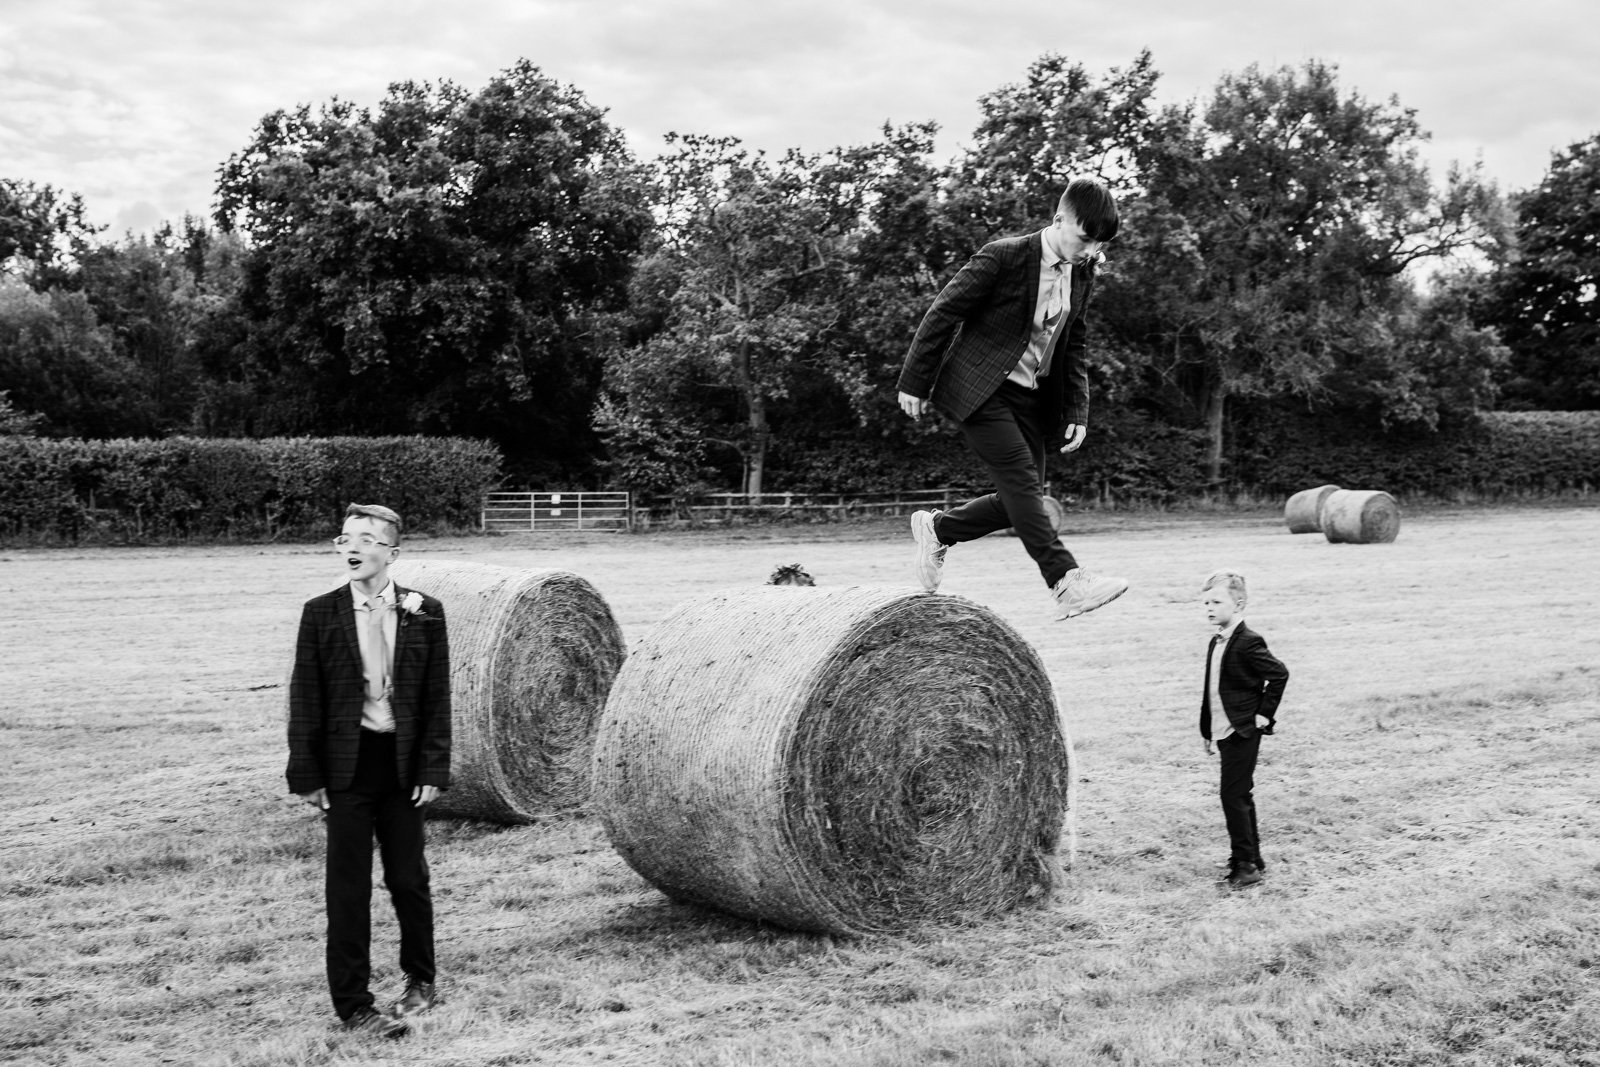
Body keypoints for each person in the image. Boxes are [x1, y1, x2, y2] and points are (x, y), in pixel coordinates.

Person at [897, 176, 1128, 620]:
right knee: (1022, 484)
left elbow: (1073, 341)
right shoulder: (1004, 256)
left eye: (1097, 244)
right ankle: (1064, 581)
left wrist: (1077, 409)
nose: (1089, 251)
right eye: (1084, 239)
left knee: (1019, 502)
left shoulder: (1082, 274)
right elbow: (944, 311)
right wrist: (915, 379)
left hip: (1031, 396)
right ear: (1060, 219)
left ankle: (938, 529)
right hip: (980, 388)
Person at [287, 503, 451, 1037]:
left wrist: (432, 765)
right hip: (347, 769)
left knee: (408, 879)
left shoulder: (427, 610)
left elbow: (435, 697)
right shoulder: (320, 612)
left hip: (402, 768)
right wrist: (308, 775)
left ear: (392, 553)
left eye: (366, 539)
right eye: (344, 538)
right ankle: (354, 1005)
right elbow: (305, 697)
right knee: (348, 889)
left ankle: (420, 980)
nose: (351, 547)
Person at [1198, 569, 1290, 888]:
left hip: (1242, 731)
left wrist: (1264, 714)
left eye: (1216, 601)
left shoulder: (1248, 642)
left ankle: (1245, 866)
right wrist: (1208, 730)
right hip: (1223, 730)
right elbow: (1212, 689)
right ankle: (1253, 858)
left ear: (1238, 605)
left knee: (1233, 796)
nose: (1209, 607)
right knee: (1239, 795)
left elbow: (1278, 675)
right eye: (1206, 602)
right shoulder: (1217, 641)